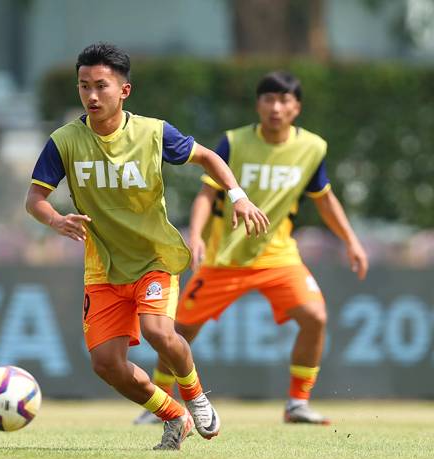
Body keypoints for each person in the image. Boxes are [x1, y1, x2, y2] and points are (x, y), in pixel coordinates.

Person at [25, 43, 269, 450]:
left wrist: (238, 195)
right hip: (103, 265)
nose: (91, 95)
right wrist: (56, 219)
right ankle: (174, 415)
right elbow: (34, 199)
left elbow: (209, 158)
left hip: (154, 257)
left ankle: (195, 395)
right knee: (106, 365)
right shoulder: (64, 141)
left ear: (124, 91)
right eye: (83, 86)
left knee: (158, 330)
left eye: (101, 86)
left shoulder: (154, 133)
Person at [135, 71, 368, 426]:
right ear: (258, 105)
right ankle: (162, 404)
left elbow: (324, 199)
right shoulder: (234, 142)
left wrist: (351, 241)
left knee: (315, 317)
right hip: (224, 258)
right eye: (268, 99)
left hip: (278, 255)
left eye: (284, 100)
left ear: (297, 107)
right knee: (177, 331)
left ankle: (297, 404)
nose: (276, 107)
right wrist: (195, 236)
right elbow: (207, 193)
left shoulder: (313, 148)